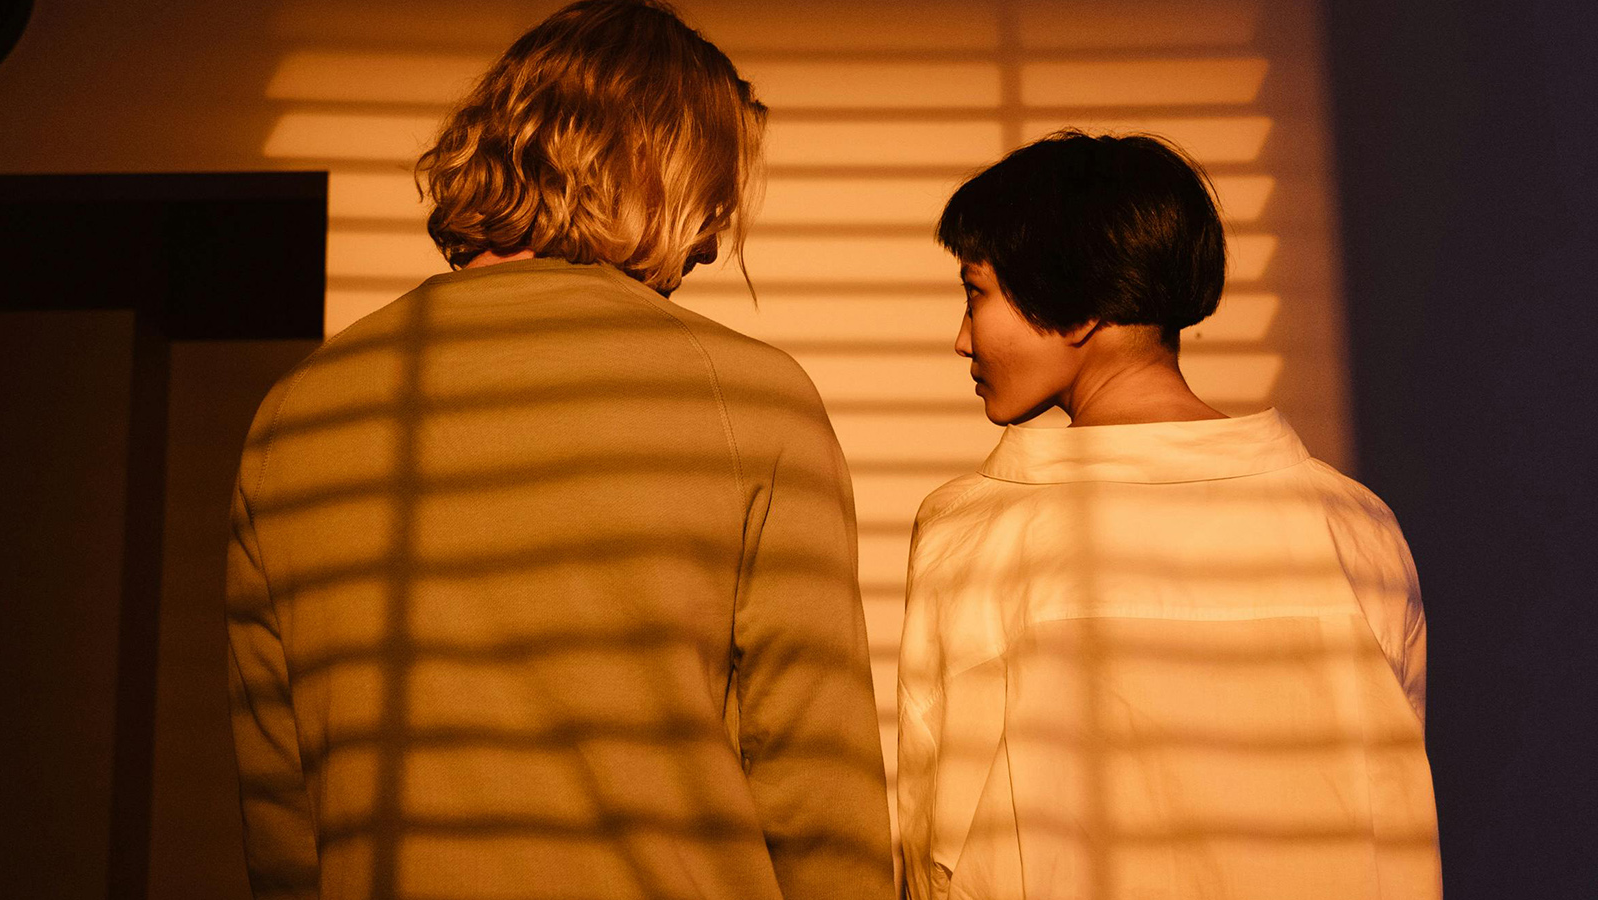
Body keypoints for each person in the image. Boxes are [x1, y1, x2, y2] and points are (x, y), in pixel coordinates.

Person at [224, 3, 895, 898]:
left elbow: (284, 825)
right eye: (712, 196)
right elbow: (819, 801)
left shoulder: (293, 417)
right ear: (658, 172)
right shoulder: (753, 400)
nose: (709, 242)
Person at [896, 131, 1440, 899]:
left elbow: (929, 845)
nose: (962, 339)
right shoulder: (1353, 525)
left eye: (975, 293)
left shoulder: (972, 533)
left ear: (1076, 306)